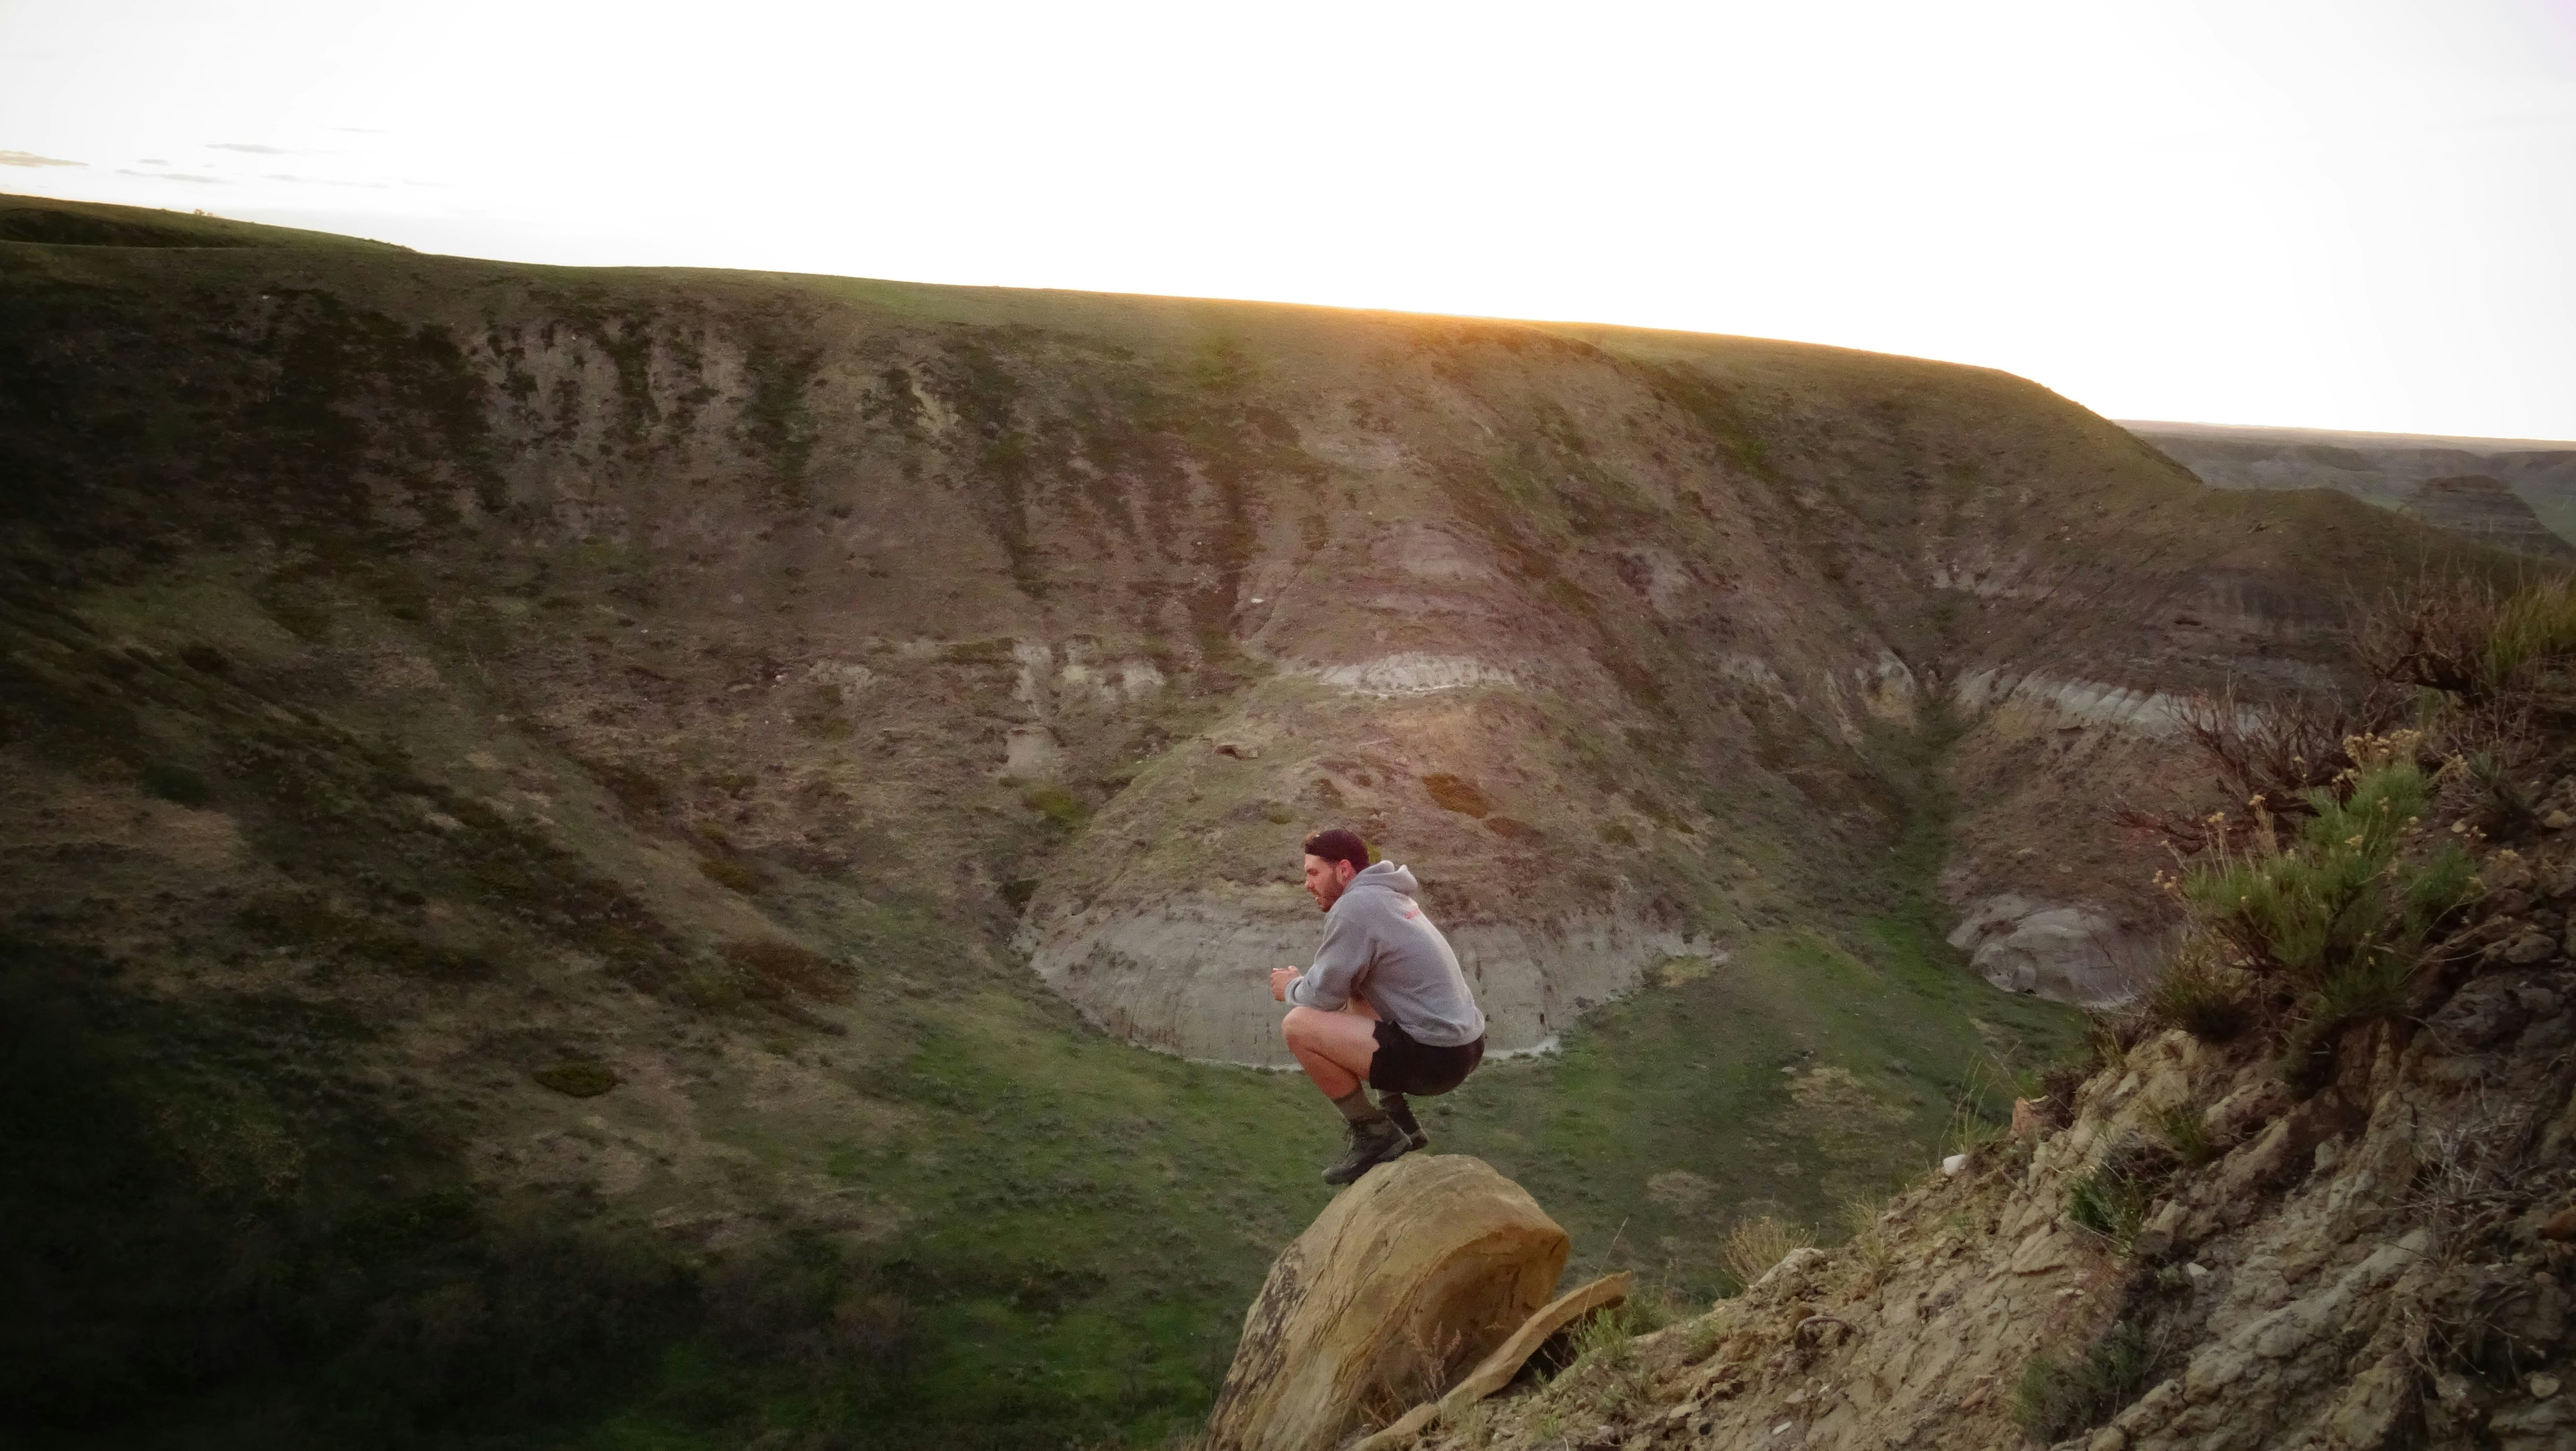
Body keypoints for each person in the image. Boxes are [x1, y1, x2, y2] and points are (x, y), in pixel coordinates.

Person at [1269, 828, 1488, 1185]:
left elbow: (1323, 998)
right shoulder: (1387, 896)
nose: (1307, 884)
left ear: (1343, 871)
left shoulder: (1355, 908)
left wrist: (1290, 986)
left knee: (1298, 1026)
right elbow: (1341, 986)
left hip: (1435, 1058)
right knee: (1360, 986)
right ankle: (1400, 1120)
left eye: (1313, 873)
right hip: (1465, 1046)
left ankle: (1374, 1134)